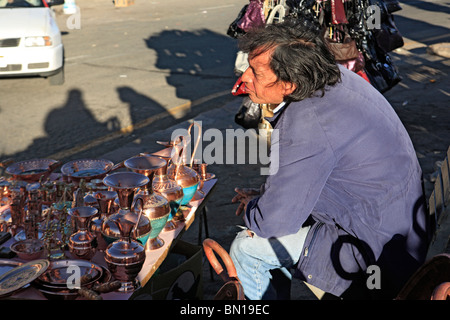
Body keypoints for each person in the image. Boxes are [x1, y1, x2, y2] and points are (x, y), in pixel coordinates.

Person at [229, 18, 430, 300]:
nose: (244, 78)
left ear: (288, 82)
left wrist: (256, 207)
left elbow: (272, 224)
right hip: (398, 224)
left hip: (375, 247)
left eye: (256, 72)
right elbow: (314, 173)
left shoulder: (307, 120)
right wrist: (266, 198)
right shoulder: (332, 77)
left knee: (247, 248)